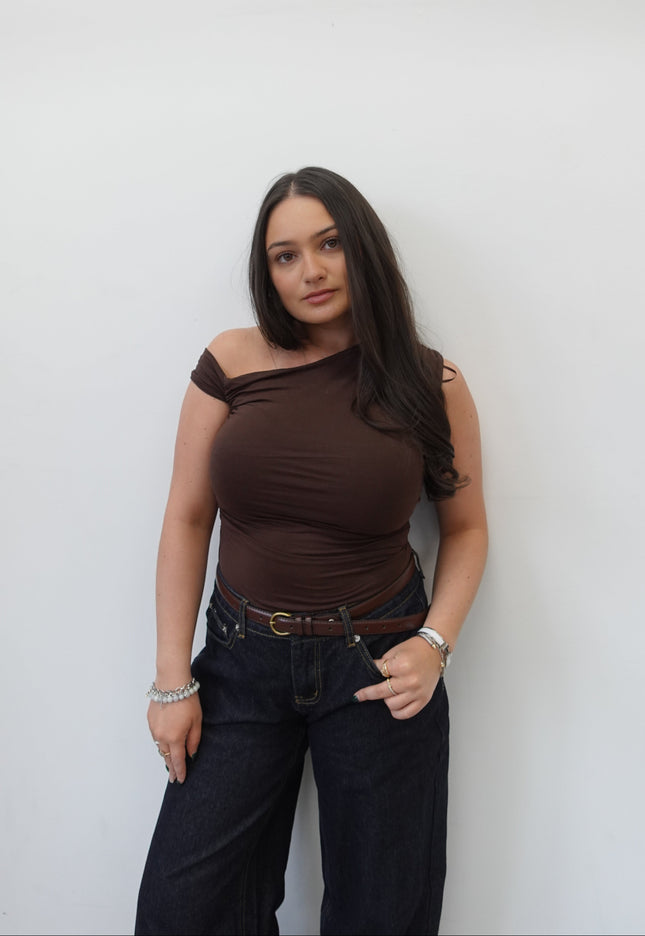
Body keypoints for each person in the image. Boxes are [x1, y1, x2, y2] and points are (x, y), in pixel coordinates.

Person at [135, 166, 487, 936]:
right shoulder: (230, 362)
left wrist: (434, 643)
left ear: (362, 248)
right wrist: (170, 682)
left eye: (329, 244)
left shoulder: (430, 381)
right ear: (266, 273)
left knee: (381, 914)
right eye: (285, 255)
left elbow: (465, 529)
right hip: (239, 663)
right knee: (182, 911)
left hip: (378, 668)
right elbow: (187, 518)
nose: (311, 271)